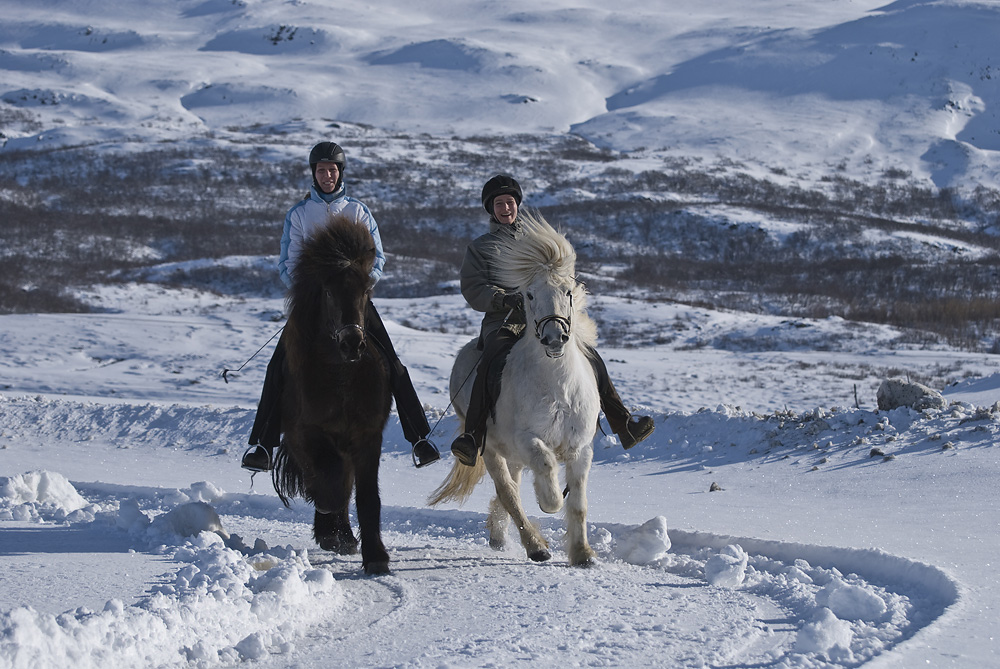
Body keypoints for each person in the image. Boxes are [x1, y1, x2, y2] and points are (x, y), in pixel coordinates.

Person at [241, 141, 441, 472]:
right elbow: (287, 263)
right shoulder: (300, 214)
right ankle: (262, 445)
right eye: (321, 170)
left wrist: (361, 284)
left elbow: (377, 257)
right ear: (313, 174)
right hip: (314, 302)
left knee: (391, 362)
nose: (327, 175)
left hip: (353, 299)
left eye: (332, 170)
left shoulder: (359, 211)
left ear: (340, 173)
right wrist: (312, 291)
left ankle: (419, 437)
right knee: (278, 366)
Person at [449, 174, 655, 466]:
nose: (506, 208)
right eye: (499, 204)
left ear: (517, 205)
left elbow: (560, 275)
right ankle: (473, 435)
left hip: (546, 318)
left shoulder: (539, 242)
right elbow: (473, 288)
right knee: (491, 359)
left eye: (510, 202)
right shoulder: (481, 248)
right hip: (505, 320)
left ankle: (623, 423)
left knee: (591, 356)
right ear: (490, 209)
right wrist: (501, 298)